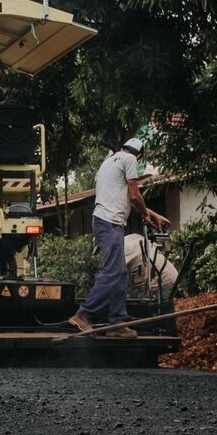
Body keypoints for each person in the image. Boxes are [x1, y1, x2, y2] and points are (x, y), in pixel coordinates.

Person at [68, 138, 169, 337]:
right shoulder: (130, 159)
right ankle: (84, 314)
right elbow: (134, 195)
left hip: (104, 220)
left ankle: (117, 322)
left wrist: (152, 214)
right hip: (110, 222)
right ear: (139, 155)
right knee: (114, 271)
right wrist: (146, 215)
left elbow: (125, 196)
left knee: (120, 272)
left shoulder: (110, 161)